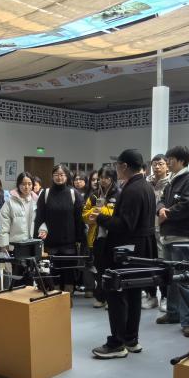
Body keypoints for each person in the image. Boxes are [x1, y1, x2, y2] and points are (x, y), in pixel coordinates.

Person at [92, 149, 157, 358]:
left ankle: (117, 343)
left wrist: (100, 217)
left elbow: (125, 225)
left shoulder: (132, 190)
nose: (116, 169)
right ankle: (131, 339)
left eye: (117, 165)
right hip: (141, 248)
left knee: (117, 292)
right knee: (133, 293)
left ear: (125, 166)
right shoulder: (145, 186)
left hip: (127, 250)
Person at [156, 146, 189, 337]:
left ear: (181, 161)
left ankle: (188, 321)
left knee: (184, 279)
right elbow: (161, 200)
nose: (168, 163)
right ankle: (173, 313)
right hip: (169, 235)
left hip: (182, 236)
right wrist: (161, 209)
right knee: (171, 277)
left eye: (171, 160)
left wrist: (167, 213)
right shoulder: (173, 178)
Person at [34, 163, 86, 291]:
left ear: (67, 176)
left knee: (69, 273)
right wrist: (37, 238)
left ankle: (68, 297)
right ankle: (55, 296)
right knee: (53, 273)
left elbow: (79, 219)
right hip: (50, 243)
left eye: (62, 175)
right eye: (56, 175)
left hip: (69, 243)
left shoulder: (73, 193)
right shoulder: (45, 193)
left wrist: (80, 239)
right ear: (52, 176)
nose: (59, 177)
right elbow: (39, 218)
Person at [82, 165, 119, 308]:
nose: (103, 180)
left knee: (112, 269)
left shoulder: (118, 194)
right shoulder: (94, 195)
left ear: (112, 178)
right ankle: (101, 297)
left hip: (113, 237)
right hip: (96, 237)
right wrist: (92, 215)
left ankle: (111, 299)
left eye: (106, 178)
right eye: (101, 178)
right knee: (99, 269)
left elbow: (114, 214)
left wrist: (98, 211)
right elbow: (84, 215)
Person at [0, 172, 37, 286]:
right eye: (23, 184)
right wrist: (4, 245)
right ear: (18, 185)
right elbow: (4, 225)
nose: (26, 187)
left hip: (32, 245)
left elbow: (42, 220)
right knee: (17, 276)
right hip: (16, 245)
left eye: (29, 184)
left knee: (30, 276)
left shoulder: (36, 201)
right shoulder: (10, 202)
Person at [144, 153, 171, 310]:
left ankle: (165, 297)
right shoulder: (146, 182)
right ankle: (151, 295)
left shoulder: (171, 182)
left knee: (162, 264)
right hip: (147, 229)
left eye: (161, 164)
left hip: (163, 229)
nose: (157, 167)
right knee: (148, 262)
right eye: (154, 164)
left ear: (167, 166)